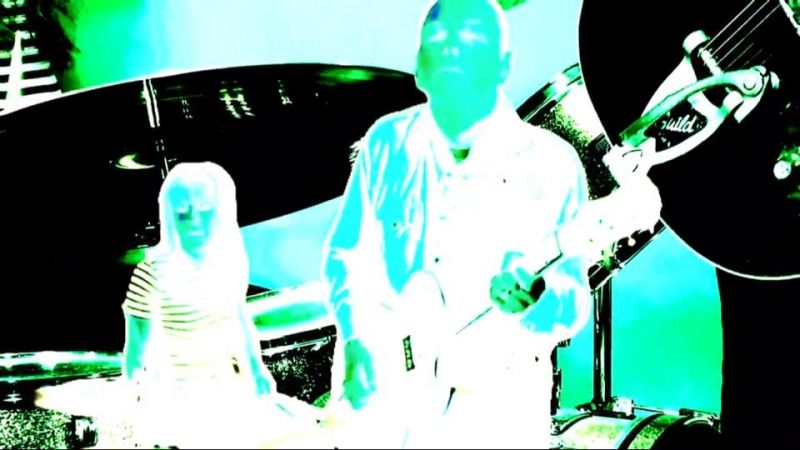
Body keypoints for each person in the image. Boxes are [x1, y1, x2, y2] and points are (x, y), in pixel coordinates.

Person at [320, 1, 600, 447]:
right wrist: (354, 344)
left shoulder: (551, 163)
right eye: (438, 39)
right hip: (383, 418)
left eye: (471, 39)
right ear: (419, 66)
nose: (452, 50)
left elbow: (572, 305)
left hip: (494, 415)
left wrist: (536, 302)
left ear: (503, 63)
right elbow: (345, 255)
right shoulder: (385, 142)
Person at [120, 162, 289, 448]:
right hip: (175, 391)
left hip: (223, 387)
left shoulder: (227, 265)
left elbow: (239, 320)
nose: (194, 220)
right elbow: (137, 337)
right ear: (169, 215)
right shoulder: (152, 271)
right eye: (183, 211)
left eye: (204, 208)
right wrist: (132, 385)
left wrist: (256, 368)